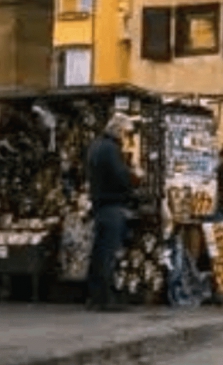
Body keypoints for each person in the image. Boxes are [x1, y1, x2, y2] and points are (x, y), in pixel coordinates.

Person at [86, 113, 138, 311]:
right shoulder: (111, 149)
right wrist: (133, 177)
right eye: (127, 133)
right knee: (108, 253)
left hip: (99, 204)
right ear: (119, 130)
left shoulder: (96, 146)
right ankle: (105, 299)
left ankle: (94, 297)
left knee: (99, 253)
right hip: (112, 205)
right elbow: (120, 176)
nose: (127, 138)